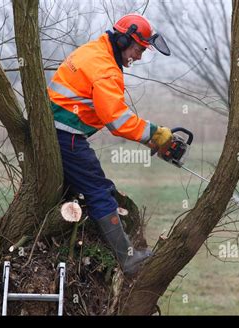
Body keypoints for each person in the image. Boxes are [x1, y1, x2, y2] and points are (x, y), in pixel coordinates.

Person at [47, 14, 172, 275]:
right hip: (66, 133)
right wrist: (155, 134)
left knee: (85, 189)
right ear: (124, 39)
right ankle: (128, 259)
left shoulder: (95, 50)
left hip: (57, 129)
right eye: (138, 49)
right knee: (100, 192)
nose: (138, 57)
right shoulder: (105, 70)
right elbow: (117, 121)